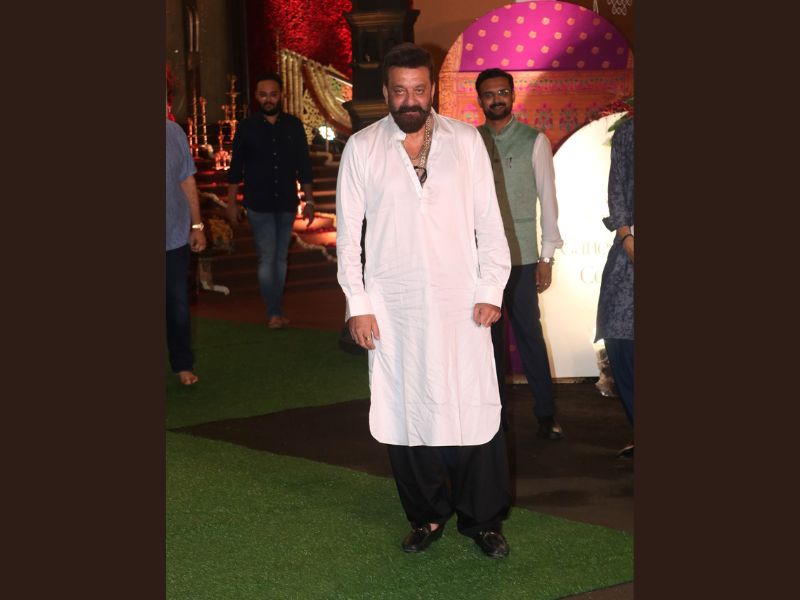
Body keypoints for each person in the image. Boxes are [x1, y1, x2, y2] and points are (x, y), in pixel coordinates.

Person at [336, 43, 513, 559]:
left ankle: (483, 521)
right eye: (399, 91)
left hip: (462, 302)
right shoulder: (362, 148)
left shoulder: (465, 141)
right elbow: (348, 238)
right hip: (394, 307)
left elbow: (490, 224)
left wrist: (490, 289)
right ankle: (426, 515)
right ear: (385, 91)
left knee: (473, 407)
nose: (409, 100)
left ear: (432, 88)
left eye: (418, 89)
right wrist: (358, 304)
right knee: (405, 408)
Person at [475, 68, 565, 440]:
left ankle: (546, 414)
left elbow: (548, 200)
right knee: (486, 342)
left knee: (530, 335)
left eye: (502, 92)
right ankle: (493, 418)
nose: (496, 99)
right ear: (479, 100)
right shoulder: (470, 142)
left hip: (524, 258)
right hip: (480, 260)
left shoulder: (534, 140)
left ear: (512, 95)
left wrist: (547, 256)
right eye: (489, 94)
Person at [225, 73, 315, 329]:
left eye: (273, 94)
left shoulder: (294, 126)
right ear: (256, 96)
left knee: (280, 258)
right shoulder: (247, 127)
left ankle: (276, 309)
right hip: (258, 203)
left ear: (281, 96)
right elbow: (235, 168)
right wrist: (231, 203)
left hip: (286, 202)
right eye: (263, 95)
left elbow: (304, 166)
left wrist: (309, 201)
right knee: (267, 257)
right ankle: (273, 312)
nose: (268, 99)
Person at [596, 116, 634, 459]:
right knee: (619, 340)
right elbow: (617, 187)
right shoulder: (628, 132)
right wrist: (626, 236)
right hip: (630, 248)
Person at [166, 118, 207, 385]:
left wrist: (197, 225)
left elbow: (187, 180)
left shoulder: (173, 131)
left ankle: (182, 364)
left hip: (173, 235)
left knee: (178, 304)